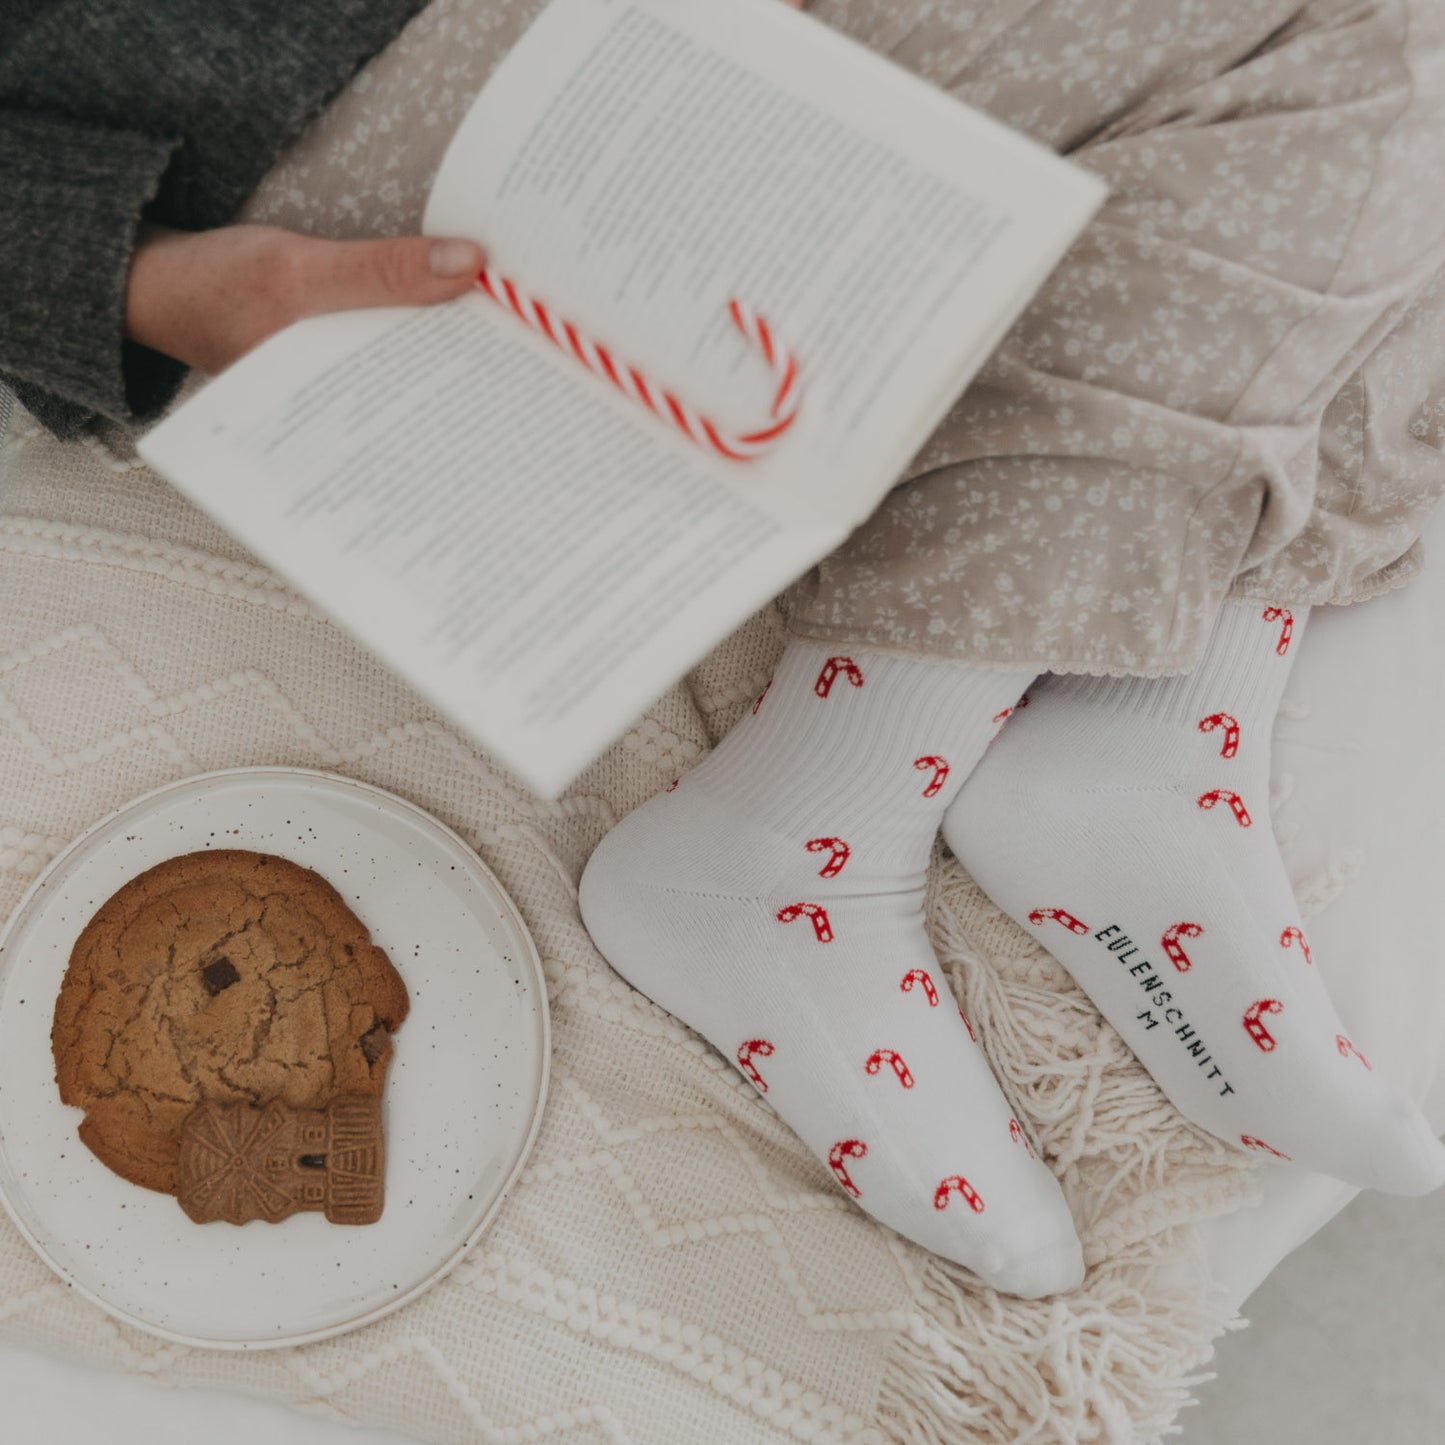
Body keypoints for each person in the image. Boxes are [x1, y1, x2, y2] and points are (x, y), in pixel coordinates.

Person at [5, 0, 1444, 1300]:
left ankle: (1137, 713)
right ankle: (838, 814)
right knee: (1371, 44)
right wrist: (144, 279)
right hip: (328, 88)